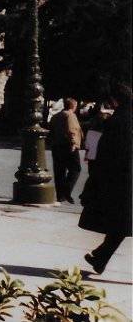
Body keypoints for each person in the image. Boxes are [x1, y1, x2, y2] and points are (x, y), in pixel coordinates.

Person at [79, 82, 132, 275]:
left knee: (122, 222)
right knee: (123, 223)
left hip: (120, 182)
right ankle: (100, 258)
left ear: (115, 101)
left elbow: (105, 155)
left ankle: (100, 257)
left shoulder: (116, 122)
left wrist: (93, 182)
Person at [48, 97, 83, 204]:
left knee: (59, 171)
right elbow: (71, 129)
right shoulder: (70, 115)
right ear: (74, 106)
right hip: (68, 146)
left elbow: (51, 130)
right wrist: (73, 143)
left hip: (56, 146)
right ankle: (67, 189)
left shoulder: (55, 116)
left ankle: (60, 196)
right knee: (76, 169)